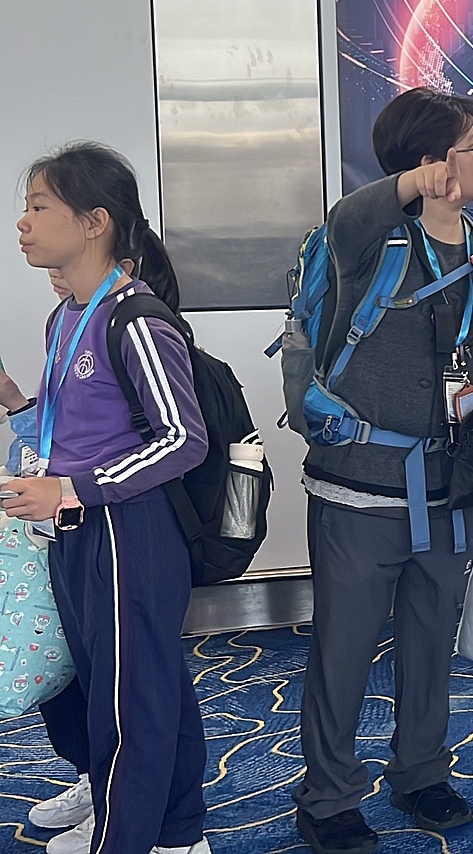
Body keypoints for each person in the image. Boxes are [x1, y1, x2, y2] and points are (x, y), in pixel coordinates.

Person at [292, 89, 473, 854]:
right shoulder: (368, 239)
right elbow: (347, 219)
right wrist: (412, 185)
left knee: (429, 639)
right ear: (431, 160)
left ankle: (419, 772)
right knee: (343, 652)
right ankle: (328, 798)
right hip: (359, 485)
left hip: (453, 485)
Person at [3, 143, 211, 854]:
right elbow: (76, 427)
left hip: (129, 532)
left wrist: (71, 488)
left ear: (94, 221)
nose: (23, 223)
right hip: (76, 527)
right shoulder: (66, 316)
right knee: (119, 684)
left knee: (132, 700)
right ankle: (175, 831)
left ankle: (125, 837)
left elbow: (183, 440)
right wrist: (16, 406)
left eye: (39, 207)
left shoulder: (137, 320)